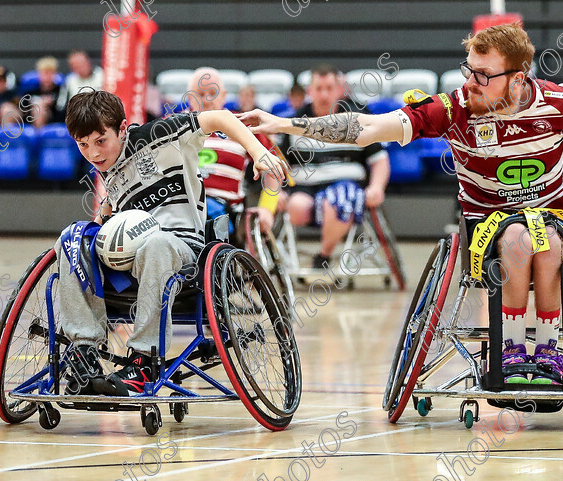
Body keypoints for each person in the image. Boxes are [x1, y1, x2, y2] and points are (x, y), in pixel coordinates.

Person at [239, 24, 563, 385]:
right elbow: (367, 128)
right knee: (519, 239)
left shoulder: (560, 102)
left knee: (548, 244)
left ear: (518, 79)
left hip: (551, 218)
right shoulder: (455, 109)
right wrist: (285, 125)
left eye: (483, 75)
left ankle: (551, 348)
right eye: (468, 71)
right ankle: (512, 349)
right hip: (487, 223)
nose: (470, 83)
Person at [56, 89, 286, 396]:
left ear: (123, 128)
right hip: (129, 267)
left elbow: (220, 117)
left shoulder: (160, 134)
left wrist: (259, 153)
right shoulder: (108, 170)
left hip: (183, 250)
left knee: (157, 244)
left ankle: (143, 361)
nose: (94, 153)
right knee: (72, 238)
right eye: (83, 145)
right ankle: (83, 350)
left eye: (101, 141)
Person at [267, 64, 390, 271]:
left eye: (329, 88)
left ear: (339, 90)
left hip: (345, 185)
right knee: (296, 207)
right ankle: (326, 236)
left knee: (337, 201)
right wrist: (275, 192)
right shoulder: (293, 122)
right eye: (319, 88)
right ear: (310, 91)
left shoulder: (357, 119)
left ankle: (323, 255)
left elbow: (379, 160)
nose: (324, 94)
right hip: (305, 188)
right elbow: (274, 162)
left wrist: (377, 187)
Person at [186, 68, 279, 235]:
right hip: (181, 206)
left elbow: (275, 167)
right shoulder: (171, 127)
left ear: (224, 96)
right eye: (200, 94)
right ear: (189, 98)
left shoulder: (242, 124)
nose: (207, 100)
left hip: (223, 211)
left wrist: (267, 208)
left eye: (213, 93)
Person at [20, 56, 62, 127]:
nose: (47, 77)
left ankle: (40, 136)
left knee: (39, 107)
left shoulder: (60, 90)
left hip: (53, 121)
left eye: (51, 73)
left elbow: (62, 112)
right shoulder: (31, 90)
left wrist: (50, 104)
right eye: (45, 73)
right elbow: (22, 109)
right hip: (29, 120)